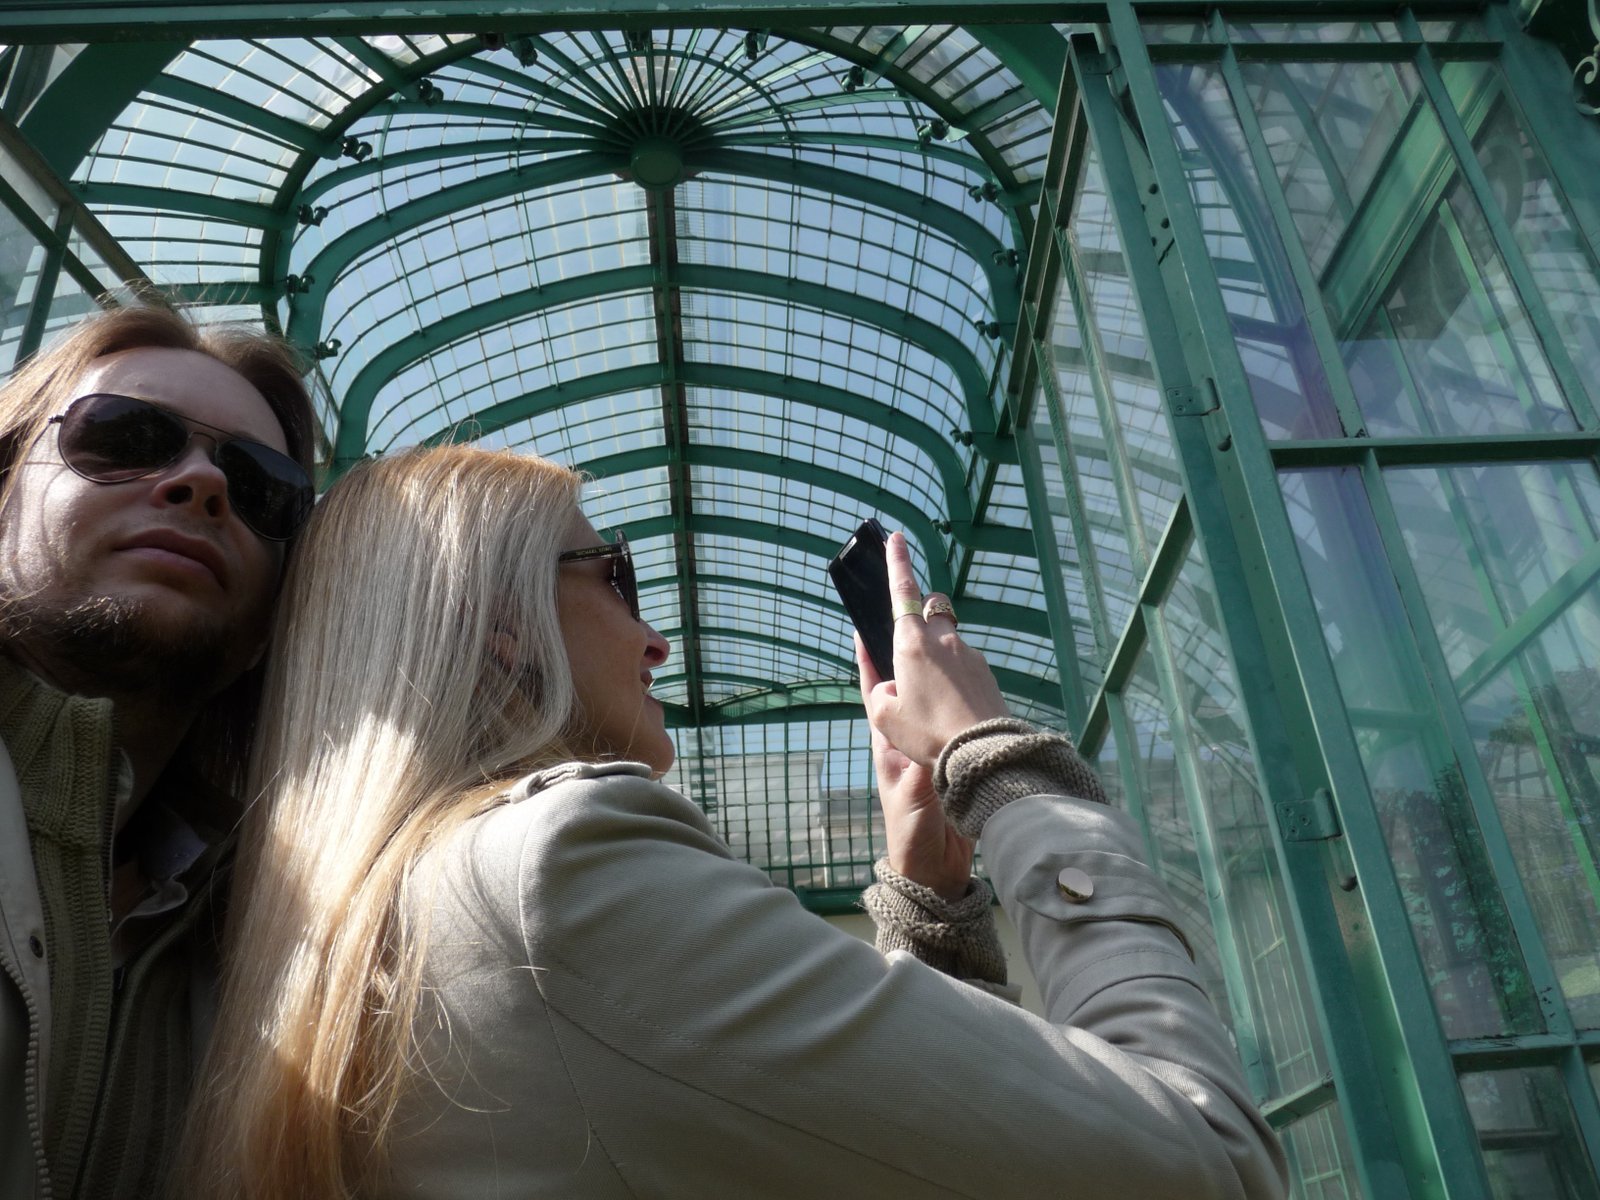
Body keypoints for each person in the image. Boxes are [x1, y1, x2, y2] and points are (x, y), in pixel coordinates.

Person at [181, 444, 1287, 1199]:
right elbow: (1205, 1162)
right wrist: (998, 763)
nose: (656, 641)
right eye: (616, 577)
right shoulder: (556, 871)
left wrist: (932, 903)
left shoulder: (349, 927)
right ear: (499, 622)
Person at [0, 302, 317, 1199]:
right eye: (124, 437)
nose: (202, 483)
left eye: (260, 488)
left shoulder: (282, 944)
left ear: (272, 626)